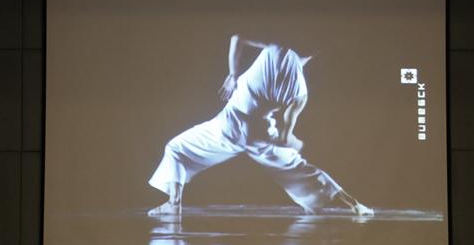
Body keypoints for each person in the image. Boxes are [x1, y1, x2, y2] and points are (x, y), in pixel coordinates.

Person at [147, 34, 374, 217]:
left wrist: (232, 75)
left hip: (230, 124)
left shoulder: (276, 48)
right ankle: (354, 205)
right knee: (300, 168)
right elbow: (285, 137)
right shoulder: (301, 92)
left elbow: (237, 37)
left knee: (176, 148)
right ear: (315, 55)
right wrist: (295, 142)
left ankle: (173, 203)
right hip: (260, 134)